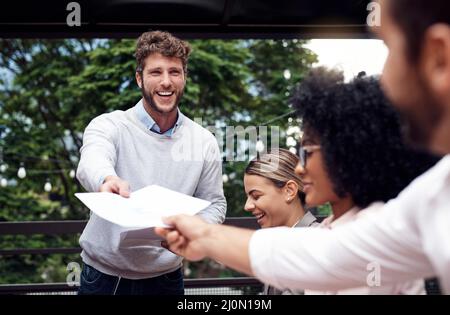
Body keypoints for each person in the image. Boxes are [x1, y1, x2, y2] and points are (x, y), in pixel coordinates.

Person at [155, 0, 450, 293]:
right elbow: (323, 255)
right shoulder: (428, 200)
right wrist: (205, 236)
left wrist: (206, 236)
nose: (385, 77)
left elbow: (322, 259)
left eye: (388, 46)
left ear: (439, 56)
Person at [76, 31, 227, 295]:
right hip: (103, 279)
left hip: (166, 280)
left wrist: (194, 231)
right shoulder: (109, 124)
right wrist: (106, 179)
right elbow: (93, 158)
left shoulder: (204, 141)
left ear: (184, 78)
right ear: (139, 78)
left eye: (175, 72)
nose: (166, 82)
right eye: (156, 72)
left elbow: (215, 202)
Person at [294, 69, 439, 294]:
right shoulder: (330, 228)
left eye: (307, 151)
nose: (299, 168)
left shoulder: (375, 231)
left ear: (345, 152)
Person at [244, 148, 318, 294]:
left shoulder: (313, 246)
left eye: (256, 196)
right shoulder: (280, 243)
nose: (247, 206)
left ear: (289, 191)